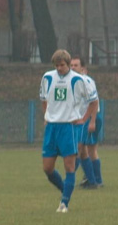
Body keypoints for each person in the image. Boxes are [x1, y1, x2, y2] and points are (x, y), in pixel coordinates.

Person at [40, 49, 98, 212]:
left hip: (69, 128)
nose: (59, 68)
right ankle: (66, 190)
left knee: (69, 166)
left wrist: (84, 118)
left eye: (62, 65)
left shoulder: (79, 80)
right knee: (47, 168)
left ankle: (64, 202)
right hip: (51, 127)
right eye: (57, 65)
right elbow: (43, 99)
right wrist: (46, 115)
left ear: (68, 64)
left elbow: (93, 101)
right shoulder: (47, 77)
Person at [70, 56, 103, 189]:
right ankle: (93, 180)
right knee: (87, 150)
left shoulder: (86, 80)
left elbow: (94, 102)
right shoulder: (74, 81)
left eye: (75, 65)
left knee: (80, 149)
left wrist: (92, 121)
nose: (73, 68)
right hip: (83, 119)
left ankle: (90, 179)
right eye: (71, 65)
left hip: (89, 119)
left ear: (82, 68)